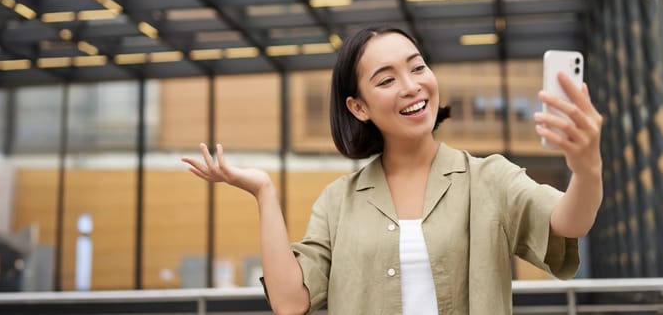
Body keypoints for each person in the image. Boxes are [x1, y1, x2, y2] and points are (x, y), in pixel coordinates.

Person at [181, 26, 604, 315]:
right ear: (358, 107)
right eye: (386, 80)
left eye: (417, 66)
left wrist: (586, 167)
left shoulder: (488, 178)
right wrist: (264, 193)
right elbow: (291, 303)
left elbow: (570, 221)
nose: (411, 86)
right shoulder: (338, 201)